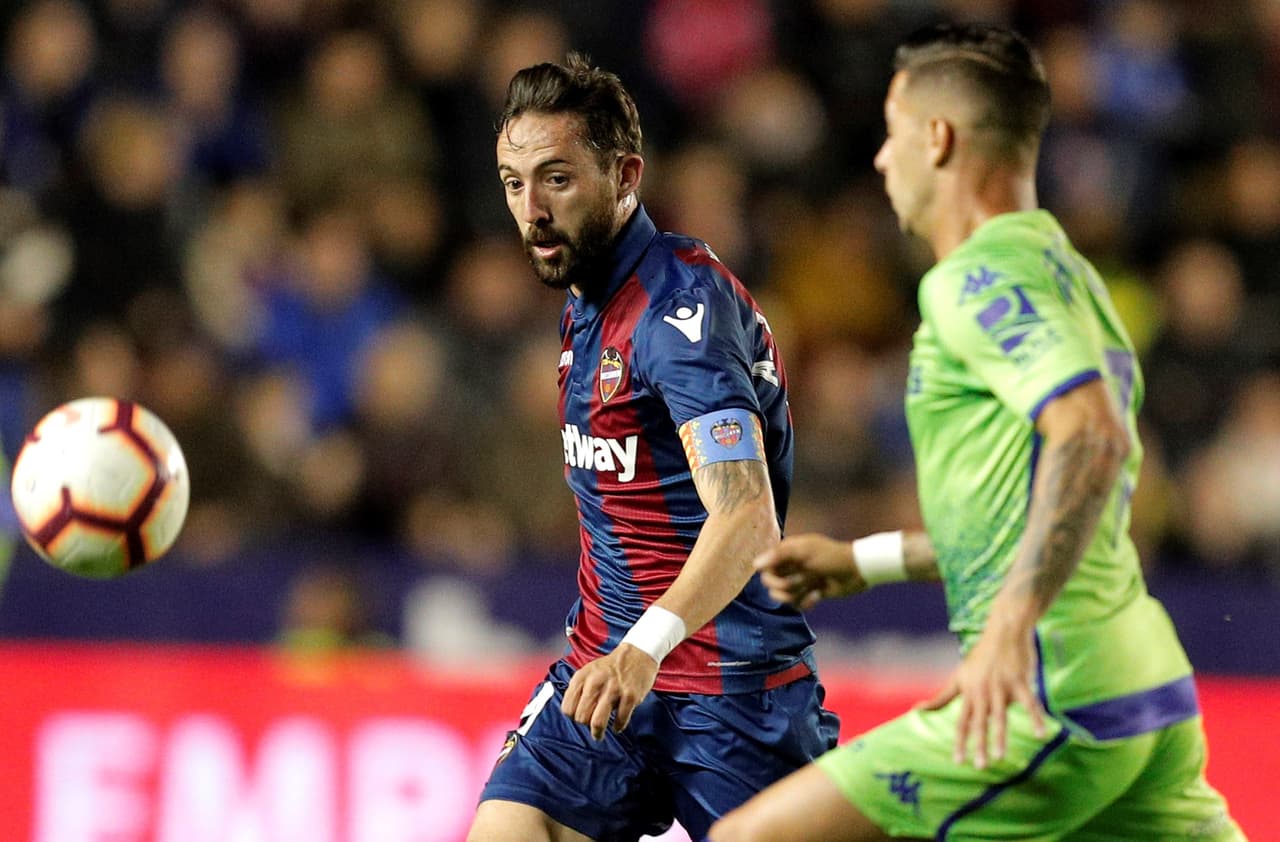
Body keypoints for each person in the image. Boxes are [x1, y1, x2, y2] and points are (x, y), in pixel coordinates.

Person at [710, 22, 1245, 842]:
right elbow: (1038, 510)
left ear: (938, 137)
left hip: (1055, 688)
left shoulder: (977, 279)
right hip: (1142, 683)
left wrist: (1008, 630)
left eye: (892, 135)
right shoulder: (1068, 275)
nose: (883, 160)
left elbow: (1092, 436)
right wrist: (867, 560)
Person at [468, 54, 839, 841]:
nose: (530, 210)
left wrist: (645, 650)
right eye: (512, 183)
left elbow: (746, 518)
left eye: (557, 179)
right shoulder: (588, 298)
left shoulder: (678, 312)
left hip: (731, 688)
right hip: (602, 675)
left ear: (625, 174)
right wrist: (623, 653)